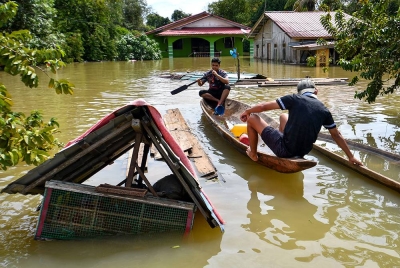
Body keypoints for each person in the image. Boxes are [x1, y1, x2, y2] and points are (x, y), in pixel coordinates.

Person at [239, 79, 363, 166]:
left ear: (299, 92)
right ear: (316, 91)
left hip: (285, 150)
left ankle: (253, 154)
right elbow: (336, 135)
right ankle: (282, 141)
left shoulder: (294, 98)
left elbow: (263, 107)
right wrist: (350, 157)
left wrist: (248, 111)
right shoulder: (324, 109)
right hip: (302, 151)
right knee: (283, 116)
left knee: (252, 118)